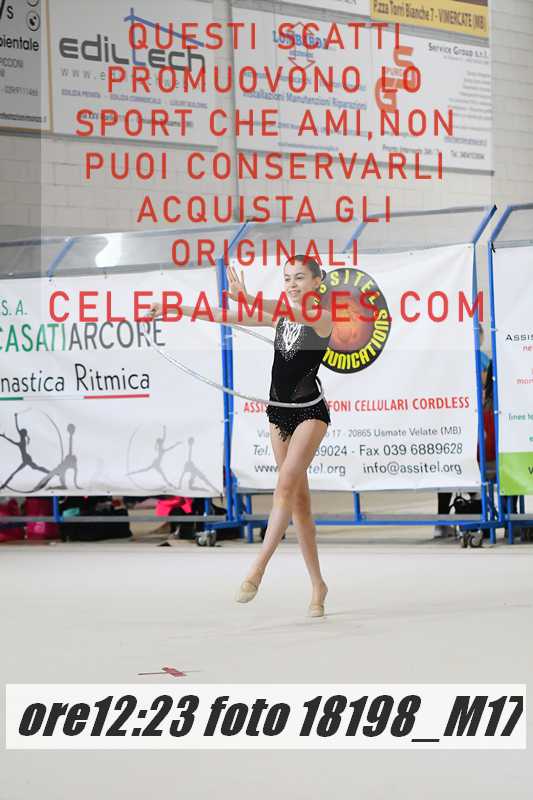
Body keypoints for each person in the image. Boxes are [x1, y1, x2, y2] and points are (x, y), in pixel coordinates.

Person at [148, 255, 333, 617]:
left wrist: (248, 297)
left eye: (299, 278)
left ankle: (256, 570)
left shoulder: (321, 317)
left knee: (284, 487)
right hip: (279, 413)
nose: (292, 284)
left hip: (310, 413)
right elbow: (224, 315)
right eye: (287, 278)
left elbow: (292, 312)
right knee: (299, 503)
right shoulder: (281, 318)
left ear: (316, 282)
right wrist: (173, 308)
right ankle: (318, 585)